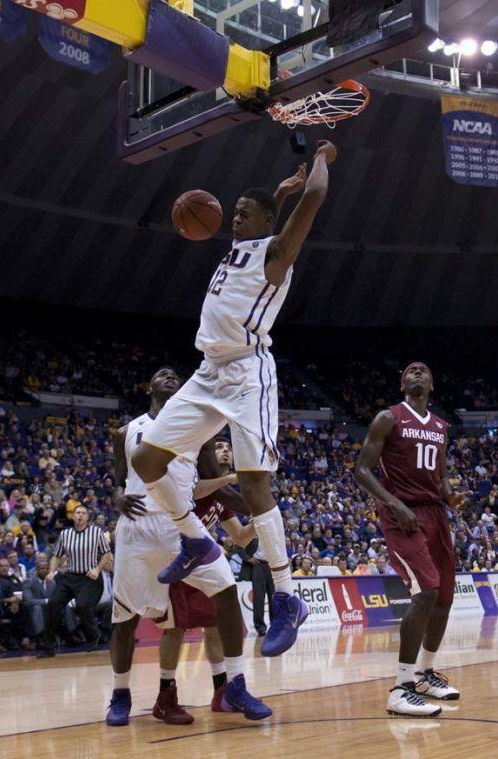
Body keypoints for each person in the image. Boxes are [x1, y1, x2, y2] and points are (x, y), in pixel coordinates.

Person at [132, 143, 337, 658]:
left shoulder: (275, 252)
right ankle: (195, 539)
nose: (233, 219)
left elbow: (313, 196)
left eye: (243, 214)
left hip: (248, 372)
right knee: (147, 458)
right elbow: (280, 203)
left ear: (266, 223)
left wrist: (321, 157)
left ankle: (288, 598)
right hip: (207, 371)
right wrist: (280, 191)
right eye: (235, 212)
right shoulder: (249, 243)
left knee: (252, 482)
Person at [107, 368, 271, 727]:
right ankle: (120, 695)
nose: (168, 377)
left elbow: (220, 490)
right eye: (161, 375)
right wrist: (118, 498)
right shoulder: (126, 431)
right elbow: (118, 481)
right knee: (125, 618)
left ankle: (235, 685)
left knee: (227, 590)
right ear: (148, 386)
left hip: (183, 525)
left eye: (174, 376)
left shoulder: (200, 431)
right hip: (138, 528)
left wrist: (260, 504)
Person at [354, 362, 470, 717]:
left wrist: (450, 495)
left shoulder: (440, 427)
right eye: (411, 371)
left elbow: (441, 473)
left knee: (445, 596)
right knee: (427, 591)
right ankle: (400, 688)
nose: (417, 373)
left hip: (436, 514)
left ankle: (424, 673)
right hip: (402, 515)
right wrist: (393, 503)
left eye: (424, 371)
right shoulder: (388, 418)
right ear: (402, 382)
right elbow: (361, 470)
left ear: (432, 385)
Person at [36, 504, 112, 658]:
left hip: (89, 577)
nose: (80, 515)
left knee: (83, 605)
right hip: (70, 576)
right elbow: (57, 555)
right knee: (53, 604)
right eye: (77, 512)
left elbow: (107, 554)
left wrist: (97, 569)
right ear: (72, 516)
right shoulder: (65, 534)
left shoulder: (96, 532)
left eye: (83, 513)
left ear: (87, 517)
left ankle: (93, 636)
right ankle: (48, 647)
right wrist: (51, 572)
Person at [23, 559, 56, 645]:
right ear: (36, 570)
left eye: (46, 568)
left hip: (49, 609)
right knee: (37, 608)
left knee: (65, 607)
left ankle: (70, 633)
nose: (44, 570)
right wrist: (46, 601)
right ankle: (40, 637)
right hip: (31, 610)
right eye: (42, 568)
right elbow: (28, 601)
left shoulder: (52, 582)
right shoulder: (29, 582)